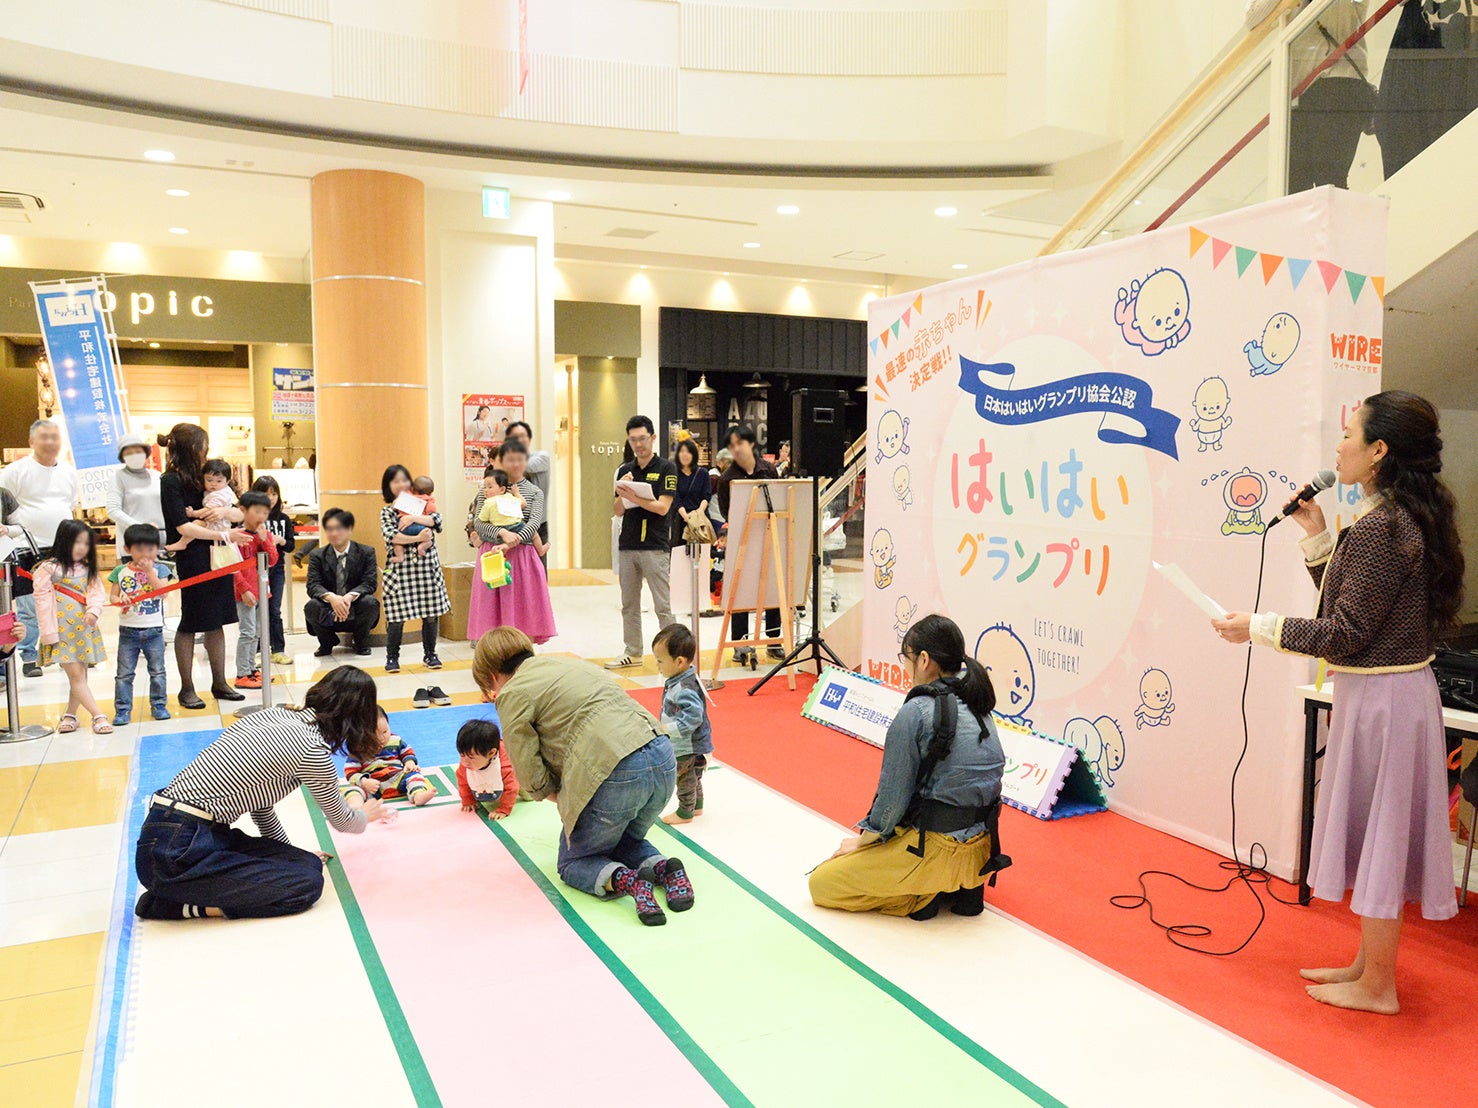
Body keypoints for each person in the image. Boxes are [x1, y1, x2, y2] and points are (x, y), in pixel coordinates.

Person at [1213, 390, 1465, 1015]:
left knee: (1383, 838)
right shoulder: (1396, 518)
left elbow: (1347, 631)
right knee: (1381, 836)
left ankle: (1378, 985)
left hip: (1385, 701)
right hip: (1383, 696)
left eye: (1349, 433)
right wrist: (1319, 537)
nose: (1338, 445)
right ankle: (1367, 967)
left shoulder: (1384, 526)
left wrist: (1262, 627)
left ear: (1378, 450)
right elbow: (1356, 611)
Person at [473, 626, 693, 925]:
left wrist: (569, 801)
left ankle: (628, 881)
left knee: (574, 861)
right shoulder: (568, 662)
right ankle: (666, 869)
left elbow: (529, 775)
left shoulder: (512, 692)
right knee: (622, 840)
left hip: (615, 769)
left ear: (490, 676)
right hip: (662, 756)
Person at [133, 666, 383, 920]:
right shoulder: (313, 750)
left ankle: (179, 889)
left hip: (177, 833)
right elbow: (342, 821)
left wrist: (286, 855)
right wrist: (364, 815)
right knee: (306, 885)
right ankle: (174, 906)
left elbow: (260, 802)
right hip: (177, 851)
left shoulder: (273, 715)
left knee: (308, 864)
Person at [810, 614, 1007, 920]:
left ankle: (920, 896)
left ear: (924, 660)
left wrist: (863, 845)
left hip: (934, 851)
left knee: (822, 884)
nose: (905, 666)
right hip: (982, 853)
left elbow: (891, 801)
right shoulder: (979, 705)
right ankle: (959, 888)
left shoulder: (916, 711)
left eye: (907, 658)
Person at [158, 424, 250, 710]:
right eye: (202, 445)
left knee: (217, 619)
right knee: (192, 621)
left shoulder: (208, 474)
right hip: (194, 557)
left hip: (218, 555)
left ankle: (220, 682)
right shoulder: (170, 481)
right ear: (192, 447)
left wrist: (225, 513)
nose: (205, 451)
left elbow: (238, 511)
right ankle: (187, 688)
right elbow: (181, 525)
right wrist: (223, 534)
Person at [1246, 0, 1374, 192]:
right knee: (1293, 185)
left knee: (1329, 178)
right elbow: (1251, 19)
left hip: (1339, 81)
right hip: (1296, 93)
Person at [0, 419, 79, 678]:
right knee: (29, 605)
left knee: (65, 602)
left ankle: (62, 651)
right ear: (32, 441)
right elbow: (5, 507)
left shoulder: (68, 472)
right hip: (25, 547)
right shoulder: (15, 471)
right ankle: (29, 655)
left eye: (54, 437)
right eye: (44, 437)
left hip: (62, 548)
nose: (50, 442)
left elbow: (70, 505)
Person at [468, 444, 556, 645]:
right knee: (491, 615)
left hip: (523, 557)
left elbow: (534, 523)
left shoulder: (534, 492)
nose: (515, 464)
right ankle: (494, 663)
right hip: (492, 555)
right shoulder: (488, 488)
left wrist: (512, 541)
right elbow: (479, 524)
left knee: (524, 612)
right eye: (510, 459)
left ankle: (523, 662)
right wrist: (502, 533)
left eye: (520, 459)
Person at [607, 415, 677, 670]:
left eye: (643, 439)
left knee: (662, 605)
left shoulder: (667, 468)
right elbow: (617, 509)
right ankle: (633, 651)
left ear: (653, 438)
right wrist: (623, 491)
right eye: (633, 439)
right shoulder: (626, 470)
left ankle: (672, 653)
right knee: (629, 604)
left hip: (655, 545)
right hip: (628, 544)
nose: (638, 444)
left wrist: (637, 497)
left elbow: (662, 507)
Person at [34, 519, 110, 734]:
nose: (81, 548)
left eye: (86, 544)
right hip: (61, 633)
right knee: (76, 677)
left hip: (84, 630)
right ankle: (98, 715)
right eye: (77, 542)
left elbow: (97, 592)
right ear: (64, 541)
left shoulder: (87, 568)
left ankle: (70, 715)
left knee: (81, 676)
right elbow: (41, 603)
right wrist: (48, 634)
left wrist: (93, 612)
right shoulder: (47, 569)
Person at [716, 424, 782, 664]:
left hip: (768, 535)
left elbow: (779, 499)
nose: (736, 449)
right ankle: (740, 643)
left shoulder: (770, 470)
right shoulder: (726, 478)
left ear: (751, 444)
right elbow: (726, 512)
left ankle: (774, 641)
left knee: (773, 587)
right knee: (740, 590)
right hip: (742, 540)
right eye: (732, 446)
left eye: (740, 443)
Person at [379, 464, 451, 673]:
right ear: (388, 487)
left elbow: (436, 520)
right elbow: (391, 535)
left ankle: (430, 654)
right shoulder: (387, 511)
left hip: (426, 568)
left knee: (431, 613)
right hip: (401, 571)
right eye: (395, 481)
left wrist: (412, 518)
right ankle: (392, 657)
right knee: (396, 616)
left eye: (404, 480)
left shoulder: (421, 502)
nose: (401, 484)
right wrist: (418, 537)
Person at [109, 523, 174, 726]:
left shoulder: (161, 569)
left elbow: (163, 593)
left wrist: (150, 572)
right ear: (127, 549)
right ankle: (122, 710)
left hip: (153, 630)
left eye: (151, 549)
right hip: (128, 630)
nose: (146, 554)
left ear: (158, 548)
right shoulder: (120, 570)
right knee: (124, 673)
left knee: (157, 671)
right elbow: (112, 595)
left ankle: (159, 705)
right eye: (139, 549)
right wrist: (119, 600)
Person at [654, 624, 713, 826]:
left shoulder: (684, 687)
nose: (657, 666)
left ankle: (685, 811)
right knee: (694, 776)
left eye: (660, 661)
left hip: (688, 745)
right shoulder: (681, 678)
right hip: (693, 744)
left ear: (679, 661)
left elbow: (693, 717)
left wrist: (667, 729)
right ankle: (697, 806)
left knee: (685, 778)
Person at [304, 507, 380, 658]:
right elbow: (313, 585)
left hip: (354, 608)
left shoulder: (366, 552)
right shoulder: (317, 555)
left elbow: (370, 583)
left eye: (339, 528)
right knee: (311, 606)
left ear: (349, 529)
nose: (334, 533)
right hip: (329, 612)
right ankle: (327, 642)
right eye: (330, 529)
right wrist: (332, 598)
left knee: (370, 603)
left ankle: (360, 642)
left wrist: (349, 597)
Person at [231, 491, 279, 691]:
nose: (261, 516)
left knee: (258, 632)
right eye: (257, 511)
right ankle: (242, 673)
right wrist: (243, 589)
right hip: (245, 593)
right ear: (243, 511)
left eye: (265, 512)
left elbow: (273, 560)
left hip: (262, 590)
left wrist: (264, 539)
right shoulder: (237, 535)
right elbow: (232, 566)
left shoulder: (264, 534)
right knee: (247, 631)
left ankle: (251, 669)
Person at [344, 705, 436, 807]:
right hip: (373, 785)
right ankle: (355, 805)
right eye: (375, 735)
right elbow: (350, 772)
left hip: (398, 778)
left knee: (415, 775)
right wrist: (364, 782)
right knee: (353, 790)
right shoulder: (359, 748)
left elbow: (407, 752)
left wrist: (410, 762)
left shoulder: (395, 740)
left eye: (385, 731)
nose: (382, 738)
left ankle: (418, 795)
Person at [251, 475, 296, 666]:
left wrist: (281, 540)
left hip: (276, 569)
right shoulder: (250, 517)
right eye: (265, 493)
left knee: (274, 610)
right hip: (254, 569)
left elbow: (291, 545)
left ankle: (278, 649)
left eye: (274, 493)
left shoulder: (284, 518)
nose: (270, 498)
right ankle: (258, 650)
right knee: (256, 610)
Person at [669, 439, 713, 621]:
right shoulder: (674, 473)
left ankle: (701, 598)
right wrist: (686, 517)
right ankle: (682, 599)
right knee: (681, 559)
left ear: (694, 454)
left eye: (688, 451)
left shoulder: (702, 473)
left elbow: (706, 494)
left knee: (702, 559)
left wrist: (697, 515)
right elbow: (674, 497)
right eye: (682, 451)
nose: (685, 455)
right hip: (680, 520)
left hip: (700, 519)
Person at [106, 433, 164, 554]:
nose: (134, 455)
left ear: (145, 453)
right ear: (122, 457)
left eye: (138, 451)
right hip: (134, 545)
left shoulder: (157, 476)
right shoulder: (118, 476)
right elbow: (112, 510)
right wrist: (141, 528)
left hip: (160, 543)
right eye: (128, 453)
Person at [455, 718, 519, 819]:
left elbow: (511, 788)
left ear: (491, 753)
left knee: (528, 793)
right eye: (462, 755)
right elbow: (463, 782)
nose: (465, 761)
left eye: (471, 757)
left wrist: (504, 809)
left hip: (519, 768)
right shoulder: (467, 762)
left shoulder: (504, 766)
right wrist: (468, 800)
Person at [506, 421, 552, 563]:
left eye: (522, 436)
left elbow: (526, 466)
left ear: (529, 438)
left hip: (537, 523)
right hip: (510, 524)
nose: (518, 440)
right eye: (514, 437)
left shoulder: (542, 457)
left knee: (538, 571)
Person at [168, 458, 236, 550]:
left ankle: (182, 543)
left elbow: (208, 510)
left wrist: (193, 513)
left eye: (218, 481)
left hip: (218, 525)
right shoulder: (214, 491)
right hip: (216, 523)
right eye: (209, 480)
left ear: (227, 481)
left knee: (196, 523)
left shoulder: (221, 494)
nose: (213, 484)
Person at [390, 474, 437, 563]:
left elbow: (395, 505)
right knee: (429, 539)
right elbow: (432, 511)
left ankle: (400, 556)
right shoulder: (428, 499)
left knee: (397, 543)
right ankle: (422, 546)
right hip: (420, 528)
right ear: (430, 492)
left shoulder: (407, 496)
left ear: (412, 488)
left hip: (403, 527)